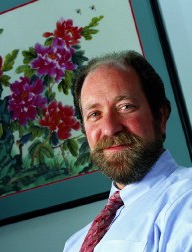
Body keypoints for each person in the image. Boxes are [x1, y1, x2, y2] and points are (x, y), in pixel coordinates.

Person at [63, 50, 192, 252]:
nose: (109, 128)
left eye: (125, 107)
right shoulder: (74, 244)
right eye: (95, 114)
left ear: (160, 117)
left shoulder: (187, 199)